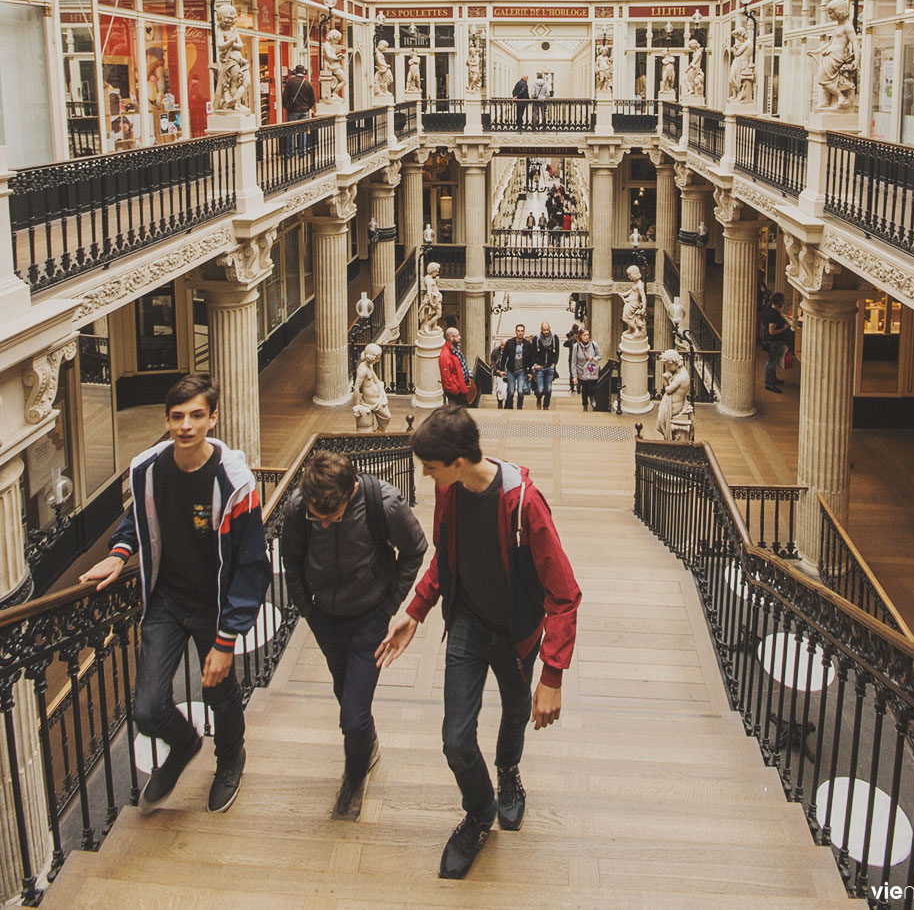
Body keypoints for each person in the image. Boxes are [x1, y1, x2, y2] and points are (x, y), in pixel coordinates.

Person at [376, 406, 581, 881]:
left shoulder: (524, 503)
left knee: (514, 713)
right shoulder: (450, 493)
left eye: (429, 466)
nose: (424, 476)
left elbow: (565, 593)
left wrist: (552, 676)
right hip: (467, 622)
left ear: (457, 460)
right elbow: (445, 558)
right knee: (455, 740)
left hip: (515, 632)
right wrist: (415, 610)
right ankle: (479, 812)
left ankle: (508, 770)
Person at [79, 374, 269, 814]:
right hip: (166, 600)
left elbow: (252, 565)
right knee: (146, 709)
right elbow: (139, 518)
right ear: (166, 420)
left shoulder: (233, 481)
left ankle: (229, 760)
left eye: (197, 416)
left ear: (213, 418)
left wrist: (226, 639)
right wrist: (119, 552)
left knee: (220, 694)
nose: (186, 425)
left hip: (212, 605)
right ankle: (184, 745)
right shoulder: (149, 468)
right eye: (178, 416)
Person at [280, 450, 427, 819]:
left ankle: (355, 777)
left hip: (369, 618)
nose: (324, 524)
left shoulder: (385, 504)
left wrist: (390, 605)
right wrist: (307, 609)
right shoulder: (300, 509)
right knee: (344, 693)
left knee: (352, 716)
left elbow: (415, 550)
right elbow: (291, 561)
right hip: (325, 617)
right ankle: (366, 745)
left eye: (333, 517)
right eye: (319, 518)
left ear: (351, 491)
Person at [763, 291, 795, 393]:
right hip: (773, 342)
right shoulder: (773, 315)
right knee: (771, 362)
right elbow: (772, 331)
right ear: (779, 302)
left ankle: (773, 379)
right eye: (782, 301)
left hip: (772, 341)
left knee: (773, 361)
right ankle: (769, 383)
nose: (783, 303)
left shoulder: (770, 310)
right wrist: (784, 328)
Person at [499, 324, 535, 410]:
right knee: (511, 391)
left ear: (524, 332)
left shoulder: (527, 344)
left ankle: (519, 407)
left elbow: (530, 359)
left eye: (522, 331)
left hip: (522, 371)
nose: (520, 333)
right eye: (518, 331)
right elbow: (504, 356)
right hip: (511, 370)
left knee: (520, 391)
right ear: (516, 332)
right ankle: (509, 406)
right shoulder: (510, 343)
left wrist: (529, 372)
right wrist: (502, 369)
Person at [440, 325, 475, 408]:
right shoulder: (445, 356)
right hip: (456, 391)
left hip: (462, 387)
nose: (460, 337)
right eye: (457, 335)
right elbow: (446, 377)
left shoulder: (456, 349)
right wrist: (455, 390)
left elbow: (460, 366)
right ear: (451, 338)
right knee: (458, 411)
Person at [569, 327, 602, 409]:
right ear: (580, 336)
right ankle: (585, 405)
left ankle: (592, 397)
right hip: (581, 371)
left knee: (593, 387)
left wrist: (593, 358)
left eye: (588, 335)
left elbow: (599, 356)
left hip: (592, 370)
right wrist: (574, 376)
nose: (586, 337)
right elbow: (573, 362)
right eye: (584, 335)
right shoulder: (576, 347)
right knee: (585, 389)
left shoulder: (594, 344)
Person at [531, 322, 559, 409]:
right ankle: (539, 398)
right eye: (544, 330)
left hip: (550, 367)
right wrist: (535, 364)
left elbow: (557, 351)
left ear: (549, 328)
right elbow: (532, 353)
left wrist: (554, 363)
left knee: (549, 388)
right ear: (541, 330)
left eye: (547, 330)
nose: (546, 332)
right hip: (540, 367)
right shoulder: (537, 338)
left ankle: (546, 405)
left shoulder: (554, 338)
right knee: (540, 388)